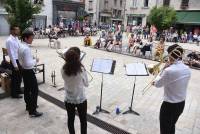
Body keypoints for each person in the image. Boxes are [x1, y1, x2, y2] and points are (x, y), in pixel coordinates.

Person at [153, 44, 191, 134]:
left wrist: (163, 69)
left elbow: (157, 84)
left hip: (169, 105)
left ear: (170, 54)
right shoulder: (187, 68)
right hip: (181, 104)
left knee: (165, 130)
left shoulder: (169, 70)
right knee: (171, 125)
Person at [61, 47, 88, 134]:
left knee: (70, 119)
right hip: (81, 98)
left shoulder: (63, 69)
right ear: (77, 58)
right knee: (83, 120)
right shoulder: (81, 70)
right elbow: (86, 84)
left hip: (69, 98)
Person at [18, 30, 43, 117]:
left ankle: (29, 106)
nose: (32, 40)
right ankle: (32, 111)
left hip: (23, 70)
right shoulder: (26, 48)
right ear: (26, 38)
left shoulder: (20, 45)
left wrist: (29, 59)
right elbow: (28, 64)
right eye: (31, 38)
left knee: (27, 89)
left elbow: (21, 60)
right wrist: (35, 60)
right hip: (28, 71)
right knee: (34, 90)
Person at [6, 25, 22, 98]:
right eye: (16, 30)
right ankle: (14, 94)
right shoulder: (9, 40)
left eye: (18, 29)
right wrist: (15, 65)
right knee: (15, 78)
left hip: (19, 59)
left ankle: (18, 90)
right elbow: (11, 54)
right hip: (14, 61)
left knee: (19, 77)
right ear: (12, 31)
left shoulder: (16, 38)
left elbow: (19, 48)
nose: (18, 31)